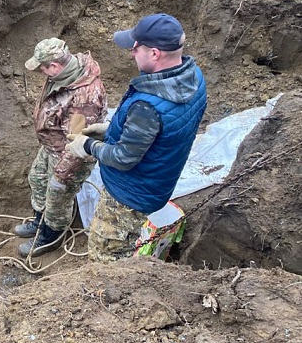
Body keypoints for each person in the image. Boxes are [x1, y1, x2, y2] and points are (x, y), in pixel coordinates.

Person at [66, 13, 207, 262]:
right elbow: (161, 131)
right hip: (156, 182)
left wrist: (87, 145)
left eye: (135, 47)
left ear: (154, 53)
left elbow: (123, 158)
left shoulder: (148, 105)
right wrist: (111, 131)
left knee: (106, 255)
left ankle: (109, 296)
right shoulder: (193, 77)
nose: (132, 53)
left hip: (130, 195)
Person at [15, 38, 108, 258]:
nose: (41, 72)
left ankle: (50, 236)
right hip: (52, 145)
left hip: (69, 154)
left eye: (42, 68)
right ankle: (39, 222)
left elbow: (78, 140)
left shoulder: (84, 96)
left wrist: (62, 174)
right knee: (37, 179)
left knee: (57, 195)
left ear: (54, 66)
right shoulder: (61, 75)